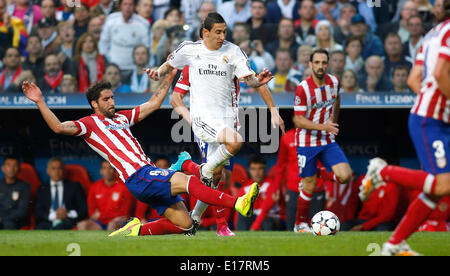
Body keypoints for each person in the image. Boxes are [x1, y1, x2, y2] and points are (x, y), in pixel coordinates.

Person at [21, 66, 260, 237]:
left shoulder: (122, 118)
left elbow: (154, 103)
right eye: (106, 99)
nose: (112, 101)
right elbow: (58, 127)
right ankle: (237, 203)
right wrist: (40, 101)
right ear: (95, 104)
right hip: (139, 174)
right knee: (188, 181)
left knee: (186, 225)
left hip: (145, 177)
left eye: (112, 97)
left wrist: (170, 74)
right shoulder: (89, 124)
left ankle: (136, 230)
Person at [161, 12, 284, 235]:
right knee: (215, 174)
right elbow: (175, 97)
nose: (222, 36)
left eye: (224, 32)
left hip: (228, 119)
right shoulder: (192, 60)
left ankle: (194, 213)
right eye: (218, 32)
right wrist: (191, 121)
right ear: (205, 33)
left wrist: (273, 110)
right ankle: (220, 225)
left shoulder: (232, 54)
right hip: (205, 123)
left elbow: (258, 82)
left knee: (219, 176)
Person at [359, 0, 450, 255]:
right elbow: (442, 74)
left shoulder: (432, 35)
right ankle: (384, 170)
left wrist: (435, 101)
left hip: (429, 116)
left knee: (434, 192)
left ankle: (394, 244)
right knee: (443, 185)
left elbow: (413, 80)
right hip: (432, 120)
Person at [292, 48, 352, 232]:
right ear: (310, 65)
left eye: (324, 62)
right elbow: (298, 120)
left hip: (326, 140)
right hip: (306, 142)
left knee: (345, 176)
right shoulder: (303, 88)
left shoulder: (334, 82)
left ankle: (317, 172)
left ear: (328, 64)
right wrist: (323, 127)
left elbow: (338, 100)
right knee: (309, 186)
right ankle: (299, 224)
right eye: (317, 62)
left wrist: (333, 122)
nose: (320, 66)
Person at [99, 0, 150, 81]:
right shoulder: (111, 20)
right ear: (120, 6)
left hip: (134, 69)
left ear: (135, 7)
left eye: (130, 4)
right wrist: (108, 63)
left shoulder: (142, 24)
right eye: (125, 4)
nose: (128, 7)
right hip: (114, 68)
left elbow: (147, 47)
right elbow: (103, 44)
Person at [77, 160, 134, 230]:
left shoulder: (124, 187)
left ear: (115, 171)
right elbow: (92, 213)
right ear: (101, 171)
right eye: (105, 168)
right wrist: (105, 216)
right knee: (81, 225)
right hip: (99, 222)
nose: (107, 171)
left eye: (110, 168)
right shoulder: (94, 187)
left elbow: (125, 213)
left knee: (112, 225)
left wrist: (101, 215)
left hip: (117, 221)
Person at [35, 157, 88, 230]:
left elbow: (83, 209)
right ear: (48, 171)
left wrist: (68, 213)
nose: (56, 172)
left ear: (63, 170)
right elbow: (38, 211)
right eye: (53, 168)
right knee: (39, 229)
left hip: (67, 220)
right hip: (48, 221)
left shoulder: (74, 186)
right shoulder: (42, 189)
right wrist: (53, 216)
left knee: (60, 228)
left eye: (59, 168)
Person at [236, 156, 284, 231]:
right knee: (242, 215)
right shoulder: (245, 188)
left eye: (260, 169)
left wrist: (254, 227)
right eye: (253, 169)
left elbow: (265, 210)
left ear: (265, 169)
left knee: (267, 222)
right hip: (254, 218)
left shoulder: (272, 184)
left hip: (272, 217)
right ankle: (240, 239)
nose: (257, 173)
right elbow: (238, 212)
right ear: (249, 170)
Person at [0, 156, 31, 229]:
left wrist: (3, 219)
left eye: (15, 166)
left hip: (14, 221)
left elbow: (22, 211)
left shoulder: (25, 186)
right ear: (3, 168)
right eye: (8, 165)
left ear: (19, 169)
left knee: (9, 224)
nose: (11, 169)